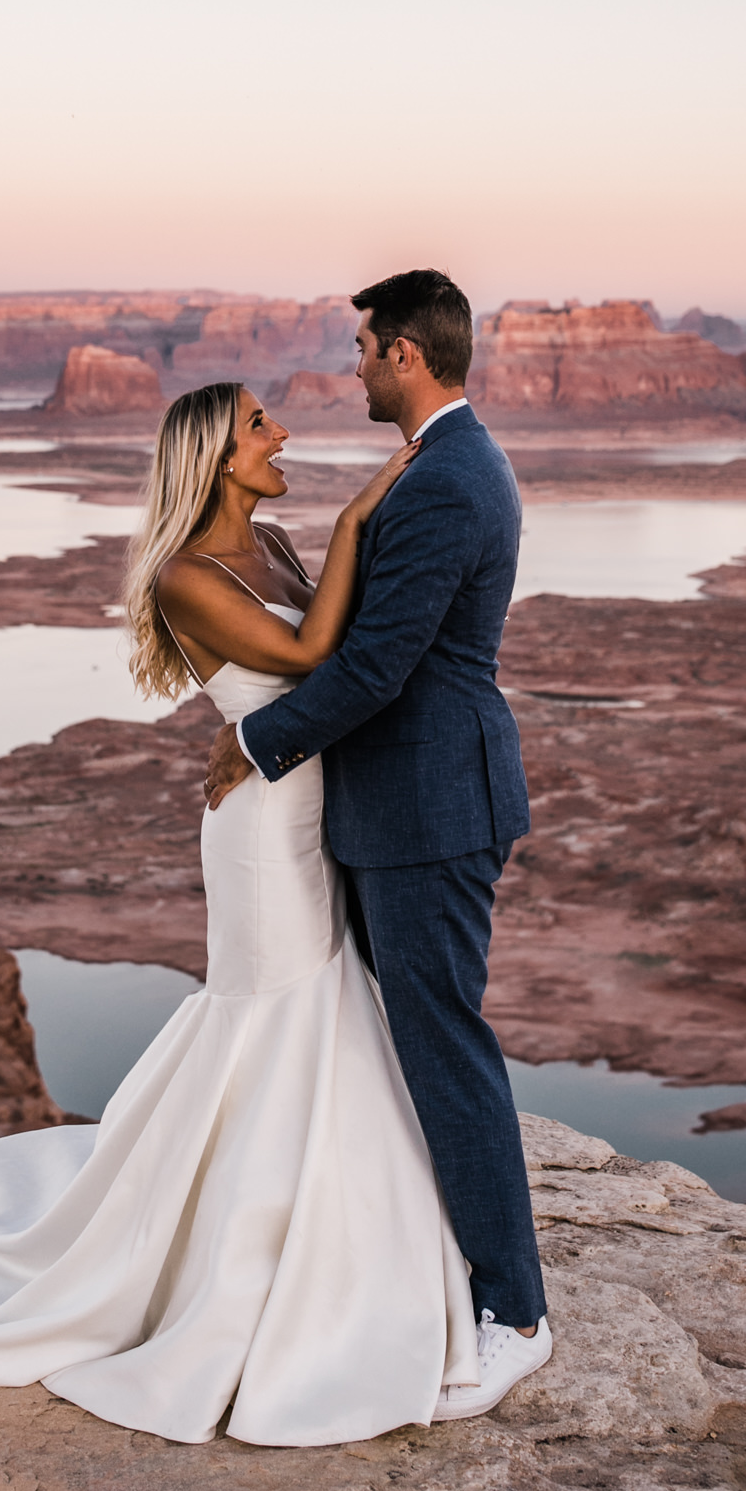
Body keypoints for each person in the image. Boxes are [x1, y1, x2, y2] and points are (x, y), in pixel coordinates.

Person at [0, 370, 484, 1445]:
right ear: (213, 456)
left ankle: (316, 1222)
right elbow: (305, 654)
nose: (278, 433)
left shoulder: (268, 548)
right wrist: (354, 517)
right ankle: (228, 1251)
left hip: (309, 809)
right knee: (268, 1011)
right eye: (256, 426)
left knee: (318, 1005)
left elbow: (354, 640)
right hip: (257, 835)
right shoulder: (187, 573)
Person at [202, 268, 549, 1419]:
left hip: (428, 811)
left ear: (404, 355)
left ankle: (514, 1313)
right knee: (400, 1044)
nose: (349, 367)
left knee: (444, 1049)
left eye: (361, 348)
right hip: (405, 806)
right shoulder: (446, 464)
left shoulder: (448, 481)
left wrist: (256, 742)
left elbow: (374, 668)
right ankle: (420, 1263)